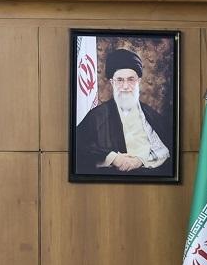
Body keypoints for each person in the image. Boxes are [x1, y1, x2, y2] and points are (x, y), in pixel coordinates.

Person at [74, 47, 173, 176]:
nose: (125, 86)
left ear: (138, 82)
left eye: (131, 79)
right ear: (112, 83)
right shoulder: (96, 116)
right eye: (120, 80)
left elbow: (167, 150)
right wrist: (113, 158)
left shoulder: (152, 116)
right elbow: (78, 148)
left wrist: (140, 161)